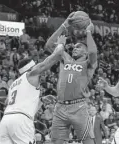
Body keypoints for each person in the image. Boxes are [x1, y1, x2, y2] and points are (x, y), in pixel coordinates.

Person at [0, 36, 68, 144]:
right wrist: (61, 44)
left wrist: (40, 100)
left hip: (6, 120)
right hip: (21, 121)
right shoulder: (31, 74)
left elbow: (10, 102)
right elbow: (53, 58)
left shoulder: (14, 84)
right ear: (32, 67)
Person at [45, 12, 97, 144]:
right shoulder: (65, 59)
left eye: (78, 47)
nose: (74, 48)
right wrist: (64, 25)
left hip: (79, 107)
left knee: (88, 142)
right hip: (60, 108)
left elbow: (92, 52)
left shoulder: (89, 64)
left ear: (85, 52)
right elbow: (49, 45)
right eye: (74, 47)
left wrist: (89, 33)